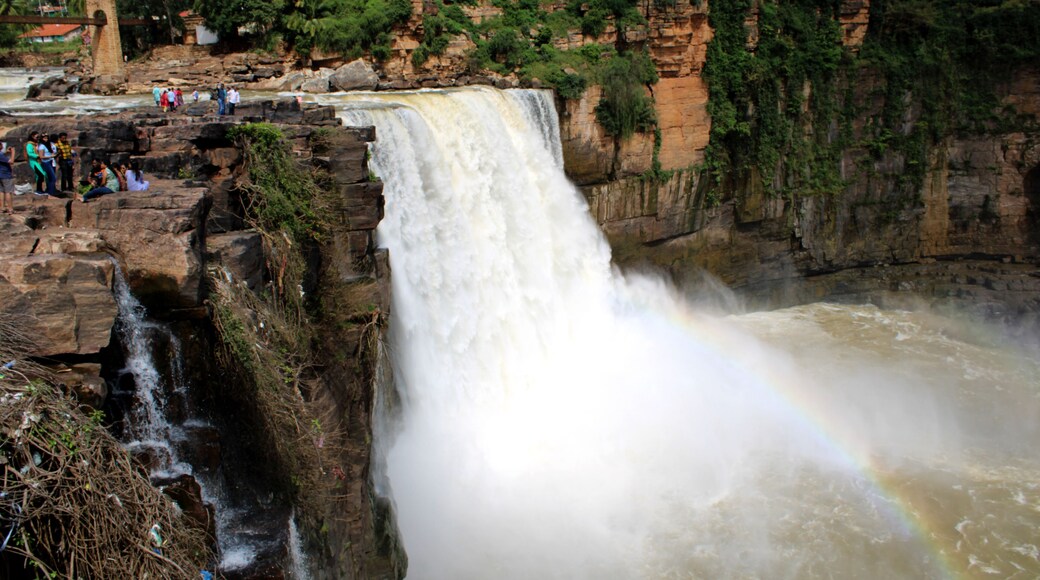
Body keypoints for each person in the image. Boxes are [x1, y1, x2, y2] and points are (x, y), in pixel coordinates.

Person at [0, 142, 15, 213]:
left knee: (1, 191)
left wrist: (6, 152)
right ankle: (10, 208)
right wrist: (13, 152)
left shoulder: (1, 154)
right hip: (5, 175)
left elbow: (2, 156)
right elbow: (11, 161)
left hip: (0, 175)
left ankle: (2, 208)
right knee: (8, 192)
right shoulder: (1, 155)